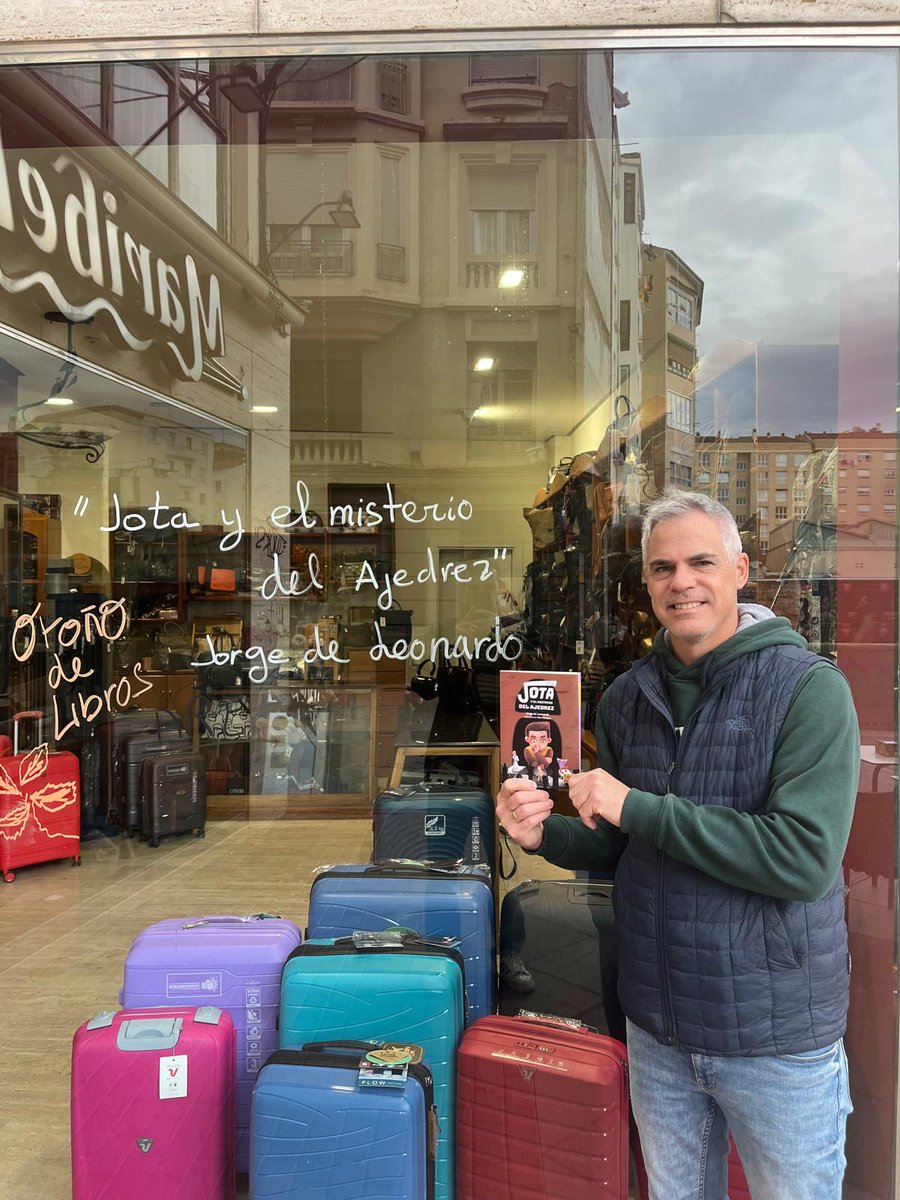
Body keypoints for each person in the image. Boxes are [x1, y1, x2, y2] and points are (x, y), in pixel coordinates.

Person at [496, 489, 859, 1200]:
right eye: (662, 568)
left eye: (701, 562)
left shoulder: (810, 690)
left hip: (775, 1033)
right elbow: (622, 842)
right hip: (660, 1024)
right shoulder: (630, 696)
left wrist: (636, 804)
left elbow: (802, 858)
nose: (681, 582)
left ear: (740, 570)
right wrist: (545, 834)